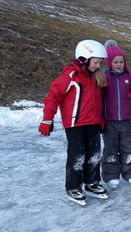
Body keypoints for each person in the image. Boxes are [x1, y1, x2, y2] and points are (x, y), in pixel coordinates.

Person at [38, 40, 109, 205]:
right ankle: (73, 186)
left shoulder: (94, 77)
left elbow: (97, 102)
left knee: (94, 154)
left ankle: (91, 182)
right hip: (75, 124)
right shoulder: (70, 76)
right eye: (96, 62)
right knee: (77, 155)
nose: (98, 66)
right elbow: (53, 96)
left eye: (100, 63)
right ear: (84, 58)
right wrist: (47, 118)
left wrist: (101, 120)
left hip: (92, 123)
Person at [101, 40, 131, 188]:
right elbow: (97, 99)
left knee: (127, 149)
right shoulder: (104, 77)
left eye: (121, 61)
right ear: (108, 62)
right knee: (110, 149)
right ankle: (111, 175)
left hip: (127, 121)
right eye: (115, 62)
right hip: (109, 121)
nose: (119, 64)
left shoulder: (130, 77)